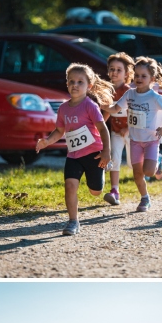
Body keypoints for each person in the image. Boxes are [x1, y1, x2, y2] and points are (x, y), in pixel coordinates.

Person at [34, 63, 114, 235]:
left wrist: (106, 151)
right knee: (70, 186)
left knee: (95, 192)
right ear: (67, 84)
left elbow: (103, 129)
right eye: (71, 81)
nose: (75, 85)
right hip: (74, 156)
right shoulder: (63, 108)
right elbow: (60, 130)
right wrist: (47, 141)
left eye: (80, 82)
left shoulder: (90, 105)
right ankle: (73, 221)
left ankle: (104, 168)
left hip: (94, 154)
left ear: (89, 86)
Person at [115, 56, 162, 212]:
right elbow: (116, 108)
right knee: (137, 174)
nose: (139, 79)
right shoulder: (130, 94)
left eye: (143, 76)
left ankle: (158, 160)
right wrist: (102, 106)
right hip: (135, 140)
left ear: (152, 79)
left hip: (151, 140)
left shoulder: (155, 97)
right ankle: (144, 198)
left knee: (148, 171)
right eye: (136, 75)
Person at [102, 52, 135, 205]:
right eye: (111, 69)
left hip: (131, 132)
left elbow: (136, 112)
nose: (114, 73)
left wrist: (128, 128)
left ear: (126, 73)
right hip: (115, 131)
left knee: (132, 163)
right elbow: (108, 110)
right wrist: (99, 125)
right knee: (114, 158)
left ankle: (156, 161)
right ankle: (114, 191)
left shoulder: (129, 92)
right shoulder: (107, 90)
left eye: (119, 70)